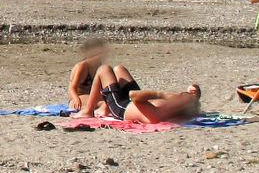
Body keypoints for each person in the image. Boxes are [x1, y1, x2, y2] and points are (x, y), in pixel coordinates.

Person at [68, 40, 200, 123]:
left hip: (121, 108)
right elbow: (192, 99)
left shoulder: (164, 106)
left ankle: (89, 111)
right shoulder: (176, 109)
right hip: (130, 103)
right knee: (119, 69)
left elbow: (134, 96)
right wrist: (192, 94)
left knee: (104, 69)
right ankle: (102, 106)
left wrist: (162, 94)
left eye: (183, 95)